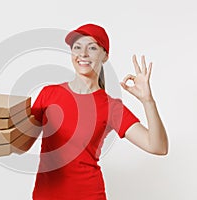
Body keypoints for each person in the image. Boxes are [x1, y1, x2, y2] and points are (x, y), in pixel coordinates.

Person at [29, 23, 168, 200]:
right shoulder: (49, 94)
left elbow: (157, 147)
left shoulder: (111, 107)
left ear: (105, 56)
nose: (83, 54)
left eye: (92, 47)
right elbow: (20, 141)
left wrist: (148, 101)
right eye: (77, 47)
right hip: (45, 195)